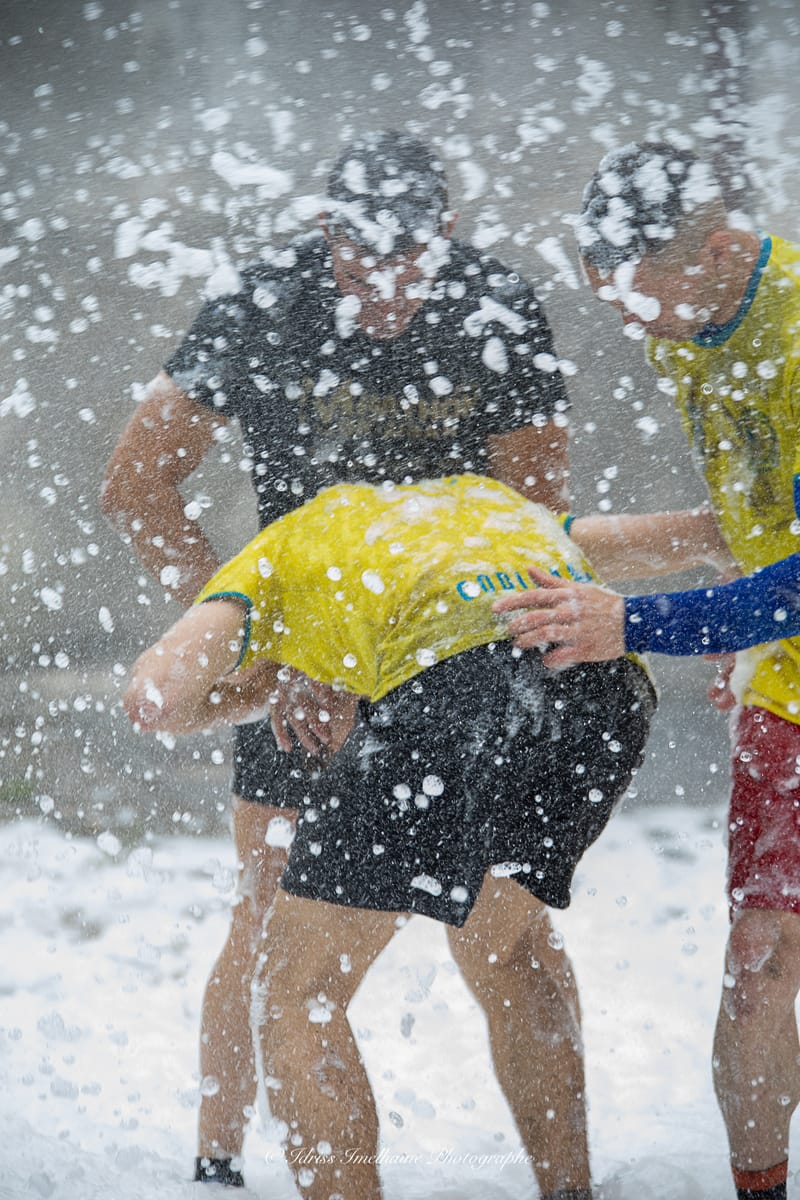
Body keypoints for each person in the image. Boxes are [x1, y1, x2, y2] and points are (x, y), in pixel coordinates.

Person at [101, 129, 574, 1187]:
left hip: (459, 665)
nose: (387, 293)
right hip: (306, 674)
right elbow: (136, 487)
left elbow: (534, 518)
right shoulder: (262, 305)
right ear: (326, 236)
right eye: (362, 265)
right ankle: (215, 1160)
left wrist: (461, 665)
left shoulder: (493, 307)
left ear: (445, 234)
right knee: (269, 908)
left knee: (502, 926)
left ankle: (570, 1178)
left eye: (410, 263)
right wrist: (268, 638)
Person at [124, 471, 659, 1200]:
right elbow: (684, 537)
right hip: (605, 696)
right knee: (507, 947)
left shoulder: (278, 551)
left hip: (458, 695)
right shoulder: (485, 505)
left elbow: (155, 695)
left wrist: (265, 675)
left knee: (296, 990)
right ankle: (569, 1191)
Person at [495, 141, 800, 1200]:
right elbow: (756, 520)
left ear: (719, 248)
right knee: (760, 955)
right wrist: (738, 626)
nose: (629, 322)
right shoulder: (685, 324)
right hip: (787, 678)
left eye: (641, 296)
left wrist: (642, 620)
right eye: (606, 297)